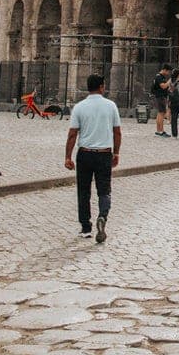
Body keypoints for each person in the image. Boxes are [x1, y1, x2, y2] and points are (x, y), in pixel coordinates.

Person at [64, 74, 121, 243]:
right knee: (104, 190)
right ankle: (102, 215)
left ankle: (85, 227)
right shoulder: (111, 106)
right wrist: (116, 153)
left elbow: (72, 134)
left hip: (85, 153)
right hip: (104, 153)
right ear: (102, 87)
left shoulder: (79, 107)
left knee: (83, 191)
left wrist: (68, 157)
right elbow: (117, 132)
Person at [150, 64, 172, 136]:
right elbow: (163, 86)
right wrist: (170, 81)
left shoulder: (160, 77)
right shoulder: (159, 77)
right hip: (160, 97)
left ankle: (158, 130)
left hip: (160, 96)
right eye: (168, 72)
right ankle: (161, 131)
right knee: (162, 113)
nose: (168, 73)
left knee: (160, 113)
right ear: (165, 70)